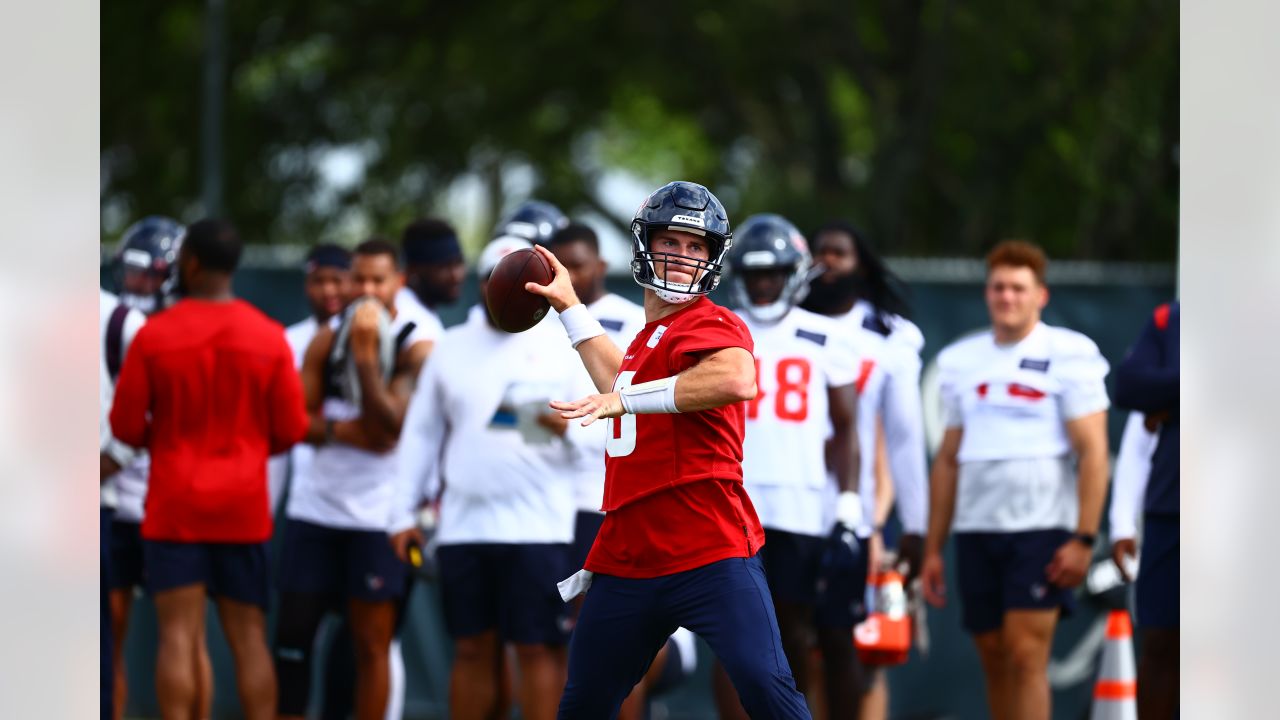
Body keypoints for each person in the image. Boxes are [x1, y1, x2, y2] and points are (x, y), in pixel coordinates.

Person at [525, 180, 813, 719]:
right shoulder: (644, 339)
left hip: (709, 549)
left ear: (713, 258)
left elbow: (736, 377)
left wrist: (625, 400)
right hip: (629, 554)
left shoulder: (714, 322)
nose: (683, 257)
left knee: (767, 690)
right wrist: (569, 305)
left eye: (696, 246)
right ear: (644, 245)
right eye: (672, 242)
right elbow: (622, 381)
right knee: (583, 704)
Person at [110, 218, 309, 720]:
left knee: (177, 635)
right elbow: (290, 430)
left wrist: (171, 437)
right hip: (242, 507)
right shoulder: (268, 336)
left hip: (175, 505)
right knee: (248, 639)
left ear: (190, 263)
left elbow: (127, 429)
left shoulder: (154, 336)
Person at [390, 236, 580, 720]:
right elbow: (421, 437)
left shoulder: (566, 347)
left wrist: (569, 427)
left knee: (538, 649)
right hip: (464, 527)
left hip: (540, 529)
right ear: (482, 284)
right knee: (472, 649)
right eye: (497, 279)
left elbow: (604, 433)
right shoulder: (451, 350)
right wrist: (400, 515)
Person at [921, 240, 1111, 720]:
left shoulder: (1069, 353)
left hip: (1042, 529)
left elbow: (1093, 453)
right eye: (998, 287)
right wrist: (931, 548)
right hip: (977, 530)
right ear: (987, 293)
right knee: (994, 655)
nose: (1007, 297)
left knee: (1027, 656)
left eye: (1018, 288)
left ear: (1040, 295)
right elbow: (947, 459)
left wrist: (1084, 538)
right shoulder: (961, 360)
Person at [713, 213, 865, 720]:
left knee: (794, 634)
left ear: (793, 272)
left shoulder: (827, 336)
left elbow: (845, 427)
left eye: (772, 273)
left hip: (800, 506)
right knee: (731, 637)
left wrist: (846, 504)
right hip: (731, 504)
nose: (762, 284)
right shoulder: (716, 329)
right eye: (754, 275)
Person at [274, 238, 433, 720]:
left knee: (371, 646)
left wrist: (365, 360)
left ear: (397, 283)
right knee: (292, 642)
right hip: (315, 510)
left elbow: (393, 427)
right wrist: (349, 432)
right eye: (356, 278)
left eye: (376, 280)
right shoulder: (325, 337)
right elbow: (291, 422)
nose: (363, 289)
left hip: (377, 518)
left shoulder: (416, 342)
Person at [802, 220, 930, 719]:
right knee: (799, 652)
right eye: (819, 252)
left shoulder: (889, 334)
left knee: (865, 651)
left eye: (839, 252)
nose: (827, 262)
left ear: (862, 262)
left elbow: (895, 436)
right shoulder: (785, 323)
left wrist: (891, 523)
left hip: (857, 513)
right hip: (790, 512)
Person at [107, 216, 218, 720]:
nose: (139, 286)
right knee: (108, 639)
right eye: (133, 274)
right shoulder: (117, 327)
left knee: (185, 635)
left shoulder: (184, 333)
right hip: (118, 504)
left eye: (150, 275)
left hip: (169, 501)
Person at [1112, 301, 1179, 719]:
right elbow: (1129, 389)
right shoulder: (1167, 319)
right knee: (1160, 643)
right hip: (1171, 510)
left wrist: (1168, 391)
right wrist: (1122, 519)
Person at [100, 287, 145, 720]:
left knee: (181, 635)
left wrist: (111, 459)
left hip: (151, 502)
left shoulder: (121, 320)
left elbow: (147, 417)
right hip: (107, 501)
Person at [397, 217, 466, 325]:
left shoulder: (421, 312)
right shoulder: (408, 320)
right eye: (443, 266)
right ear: (413, 269)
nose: (455, 276)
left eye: (458, 263)